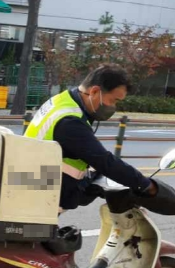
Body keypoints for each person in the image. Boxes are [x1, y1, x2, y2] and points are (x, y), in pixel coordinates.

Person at [24, 64, 158, 211]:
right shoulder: (71, 121)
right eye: (113, 100)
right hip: (37, 199)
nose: (114, 107)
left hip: (32, 184)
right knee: (42, 234)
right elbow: (104, 161)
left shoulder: (62, 100)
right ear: (94, 91)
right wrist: (146, 185)